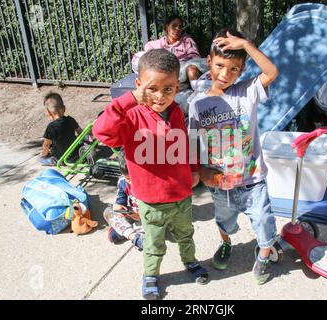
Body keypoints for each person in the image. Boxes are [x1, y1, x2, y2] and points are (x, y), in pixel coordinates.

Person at [93, 48, 209, 300]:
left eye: (168, 88)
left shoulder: (177, 112)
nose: (159, 96)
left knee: (186, 234)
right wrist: (130, 100)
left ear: (177, 88)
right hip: (152, 200)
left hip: (181, 195)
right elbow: (101, 132)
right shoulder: (129, 116)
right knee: (154, 245)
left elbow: (185, 143)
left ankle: (189, 261)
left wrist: (194, 169)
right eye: (151, 88)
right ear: (138, 85)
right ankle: (151, 275)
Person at [188, 29, 279, 285]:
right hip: (220, 183)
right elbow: (195, 141)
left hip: (252, 180)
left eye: (234, 69)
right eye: (220, 65)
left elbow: (272, 72)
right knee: (224, 220)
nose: (225, 74)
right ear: (209, 61)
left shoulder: (247, 90)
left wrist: (247, 45)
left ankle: (263, 256)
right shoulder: (198, 104)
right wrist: (202, 171)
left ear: (241, 70)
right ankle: (226, 243)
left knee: (263, 221)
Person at [132, 15, 207, 88]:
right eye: (174, 26)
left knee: (192, 69)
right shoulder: (160, 43)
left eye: (180, 26)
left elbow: (195, 57)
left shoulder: (186, 41)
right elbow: (148, 47)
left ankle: (198, 94)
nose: (178, 29)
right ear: (166, 27)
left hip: (184, 69)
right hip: (168, 72)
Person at [103, 153, 144, 251]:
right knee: (107, 212)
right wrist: (121, 210)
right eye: (128, 179)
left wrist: (142, 215)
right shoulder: (122, 182)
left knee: (115, 235)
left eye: (134, 178)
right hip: (132, 215)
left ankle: (132, 234)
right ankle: (134, 236)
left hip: (149, 218)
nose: (131, 182)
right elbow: (119, 204)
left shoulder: (147, 181)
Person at [40, 92, 82, 166]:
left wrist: (43, 155)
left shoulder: (51, 127)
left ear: (49, 113)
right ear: (64, 108)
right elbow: (81, 133)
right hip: (76, 154)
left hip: (61, 159)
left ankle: (51, 161)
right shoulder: (70, 120)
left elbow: (46, 145)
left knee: (41, 159)